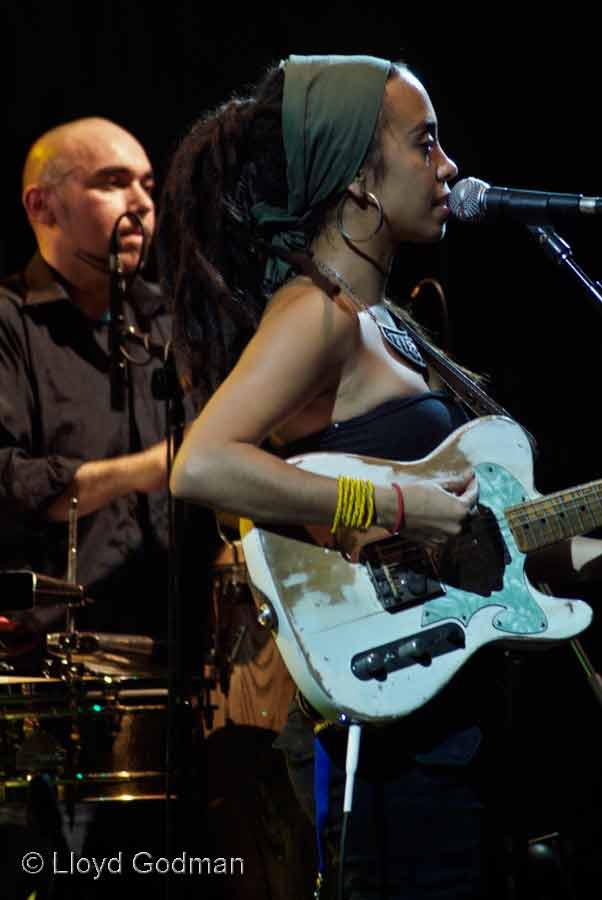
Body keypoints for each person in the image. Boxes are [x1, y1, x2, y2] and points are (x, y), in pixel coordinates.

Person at [158, 56, 602, 899]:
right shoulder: (315, 313)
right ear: (360, 181)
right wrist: (392, 500)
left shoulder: (385, 324)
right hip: (399, 753)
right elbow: (203, 464)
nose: (450, 169)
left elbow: (492, 537)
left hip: (458, 728)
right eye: (424, 143)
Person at [0, 116, 173, 641]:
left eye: (147, 184)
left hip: (183, 654)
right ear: (42, 206)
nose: (141, 202)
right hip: (48, 657)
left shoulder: (170, 324)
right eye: (113, 182)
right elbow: (8, 480)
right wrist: (150, 468)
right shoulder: (10, 322)